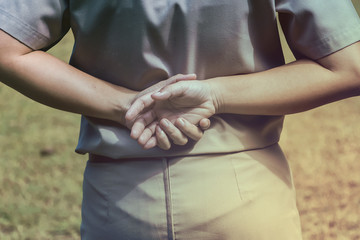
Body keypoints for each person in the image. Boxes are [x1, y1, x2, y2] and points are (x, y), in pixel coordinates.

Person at [0, 0, 359, 239]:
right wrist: (215, 95)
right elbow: (348, 66)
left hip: (118, 199)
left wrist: (129, 104)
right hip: (245, 191)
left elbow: (6, 47)